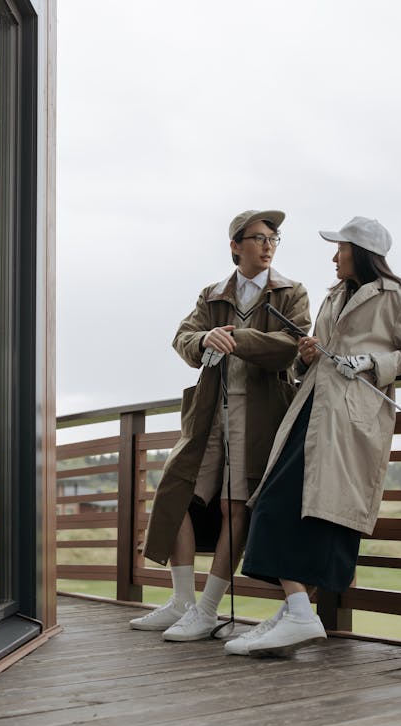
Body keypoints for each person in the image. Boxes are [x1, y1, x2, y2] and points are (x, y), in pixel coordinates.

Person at [225, 215, 401, 657]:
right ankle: (297, 611)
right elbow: (316, 358)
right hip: (311, 411)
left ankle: (298, 613)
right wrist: (306, 357)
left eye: (339, 248)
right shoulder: (332, 296)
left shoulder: (396, 297)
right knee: (274, 502)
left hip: (349, 421)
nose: (333, 256)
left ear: (359, 251)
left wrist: (369, 362)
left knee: (314, 511)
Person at [130, 209, 310, 640]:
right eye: (258, 238)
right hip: (210, 414)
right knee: (176, 493)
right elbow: (183, 338)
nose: (268, 246)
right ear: (235, 246)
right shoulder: (212, 295)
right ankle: (182, 603)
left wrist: (239, 339)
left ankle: (208, 609)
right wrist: (205, 338)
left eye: (274, 239)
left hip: (263, 415)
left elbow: (294, 345)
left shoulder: (291, 291)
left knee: (236, 506)